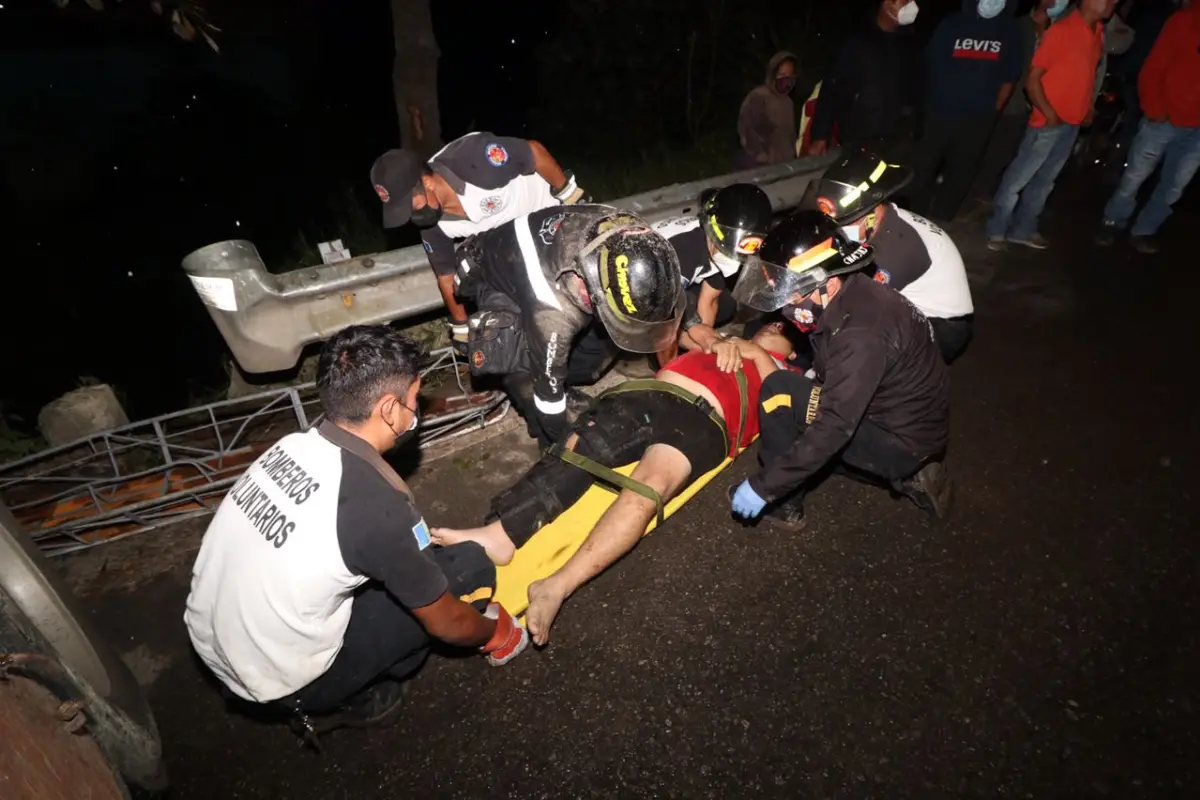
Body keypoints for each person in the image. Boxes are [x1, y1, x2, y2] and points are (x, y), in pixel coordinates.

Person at [184, 326, 529, 733]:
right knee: (467, 568)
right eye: (414, 400)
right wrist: (496, 631)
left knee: (380, 572)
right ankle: (342, 695)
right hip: (277, 680)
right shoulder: (377, 506)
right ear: (388, 409)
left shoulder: (289, 447)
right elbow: (448, 624)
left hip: (213, 645)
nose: (416, 411)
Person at [431, 321, 803, 644]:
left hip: (705, 423)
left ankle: (556, 586)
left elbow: (782, 405)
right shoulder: (726, 337)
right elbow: (676, 333)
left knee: (648, 488)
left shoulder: (789, 374)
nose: (775, 326)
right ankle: (501, 534)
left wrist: (756, 353)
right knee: (582, 449)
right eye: (773, 323)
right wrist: (716, 340)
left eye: (786, 332)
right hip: (650, 394)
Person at [729, 211, 953, 530]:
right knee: (811, 423)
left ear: (829, 284)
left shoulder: (861, 335)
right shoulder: (857, 296)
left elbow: (835, 424)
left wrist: (765, 488)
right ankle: (910, 471)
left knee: (780, 391)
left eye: (794, 292)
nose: (786, 303)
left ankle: (784, 504)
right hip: (908, 422)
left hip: (899, 440)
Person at [454, 205, 685, 448]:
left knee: (593, 354)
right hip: (496, 274)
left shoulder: (633, 236)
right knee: (526, 374)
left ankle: (569, 384)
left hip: (548, 254)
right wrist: (565, 439)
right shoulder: (552, 312)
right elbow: (548, 395)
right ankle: (548, 445)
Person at [370, 133, 589, 354]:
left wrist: (569, 194)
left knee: (595, 286)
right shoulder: (432, 225)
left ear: (426, 182)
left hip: (548, 215)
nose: (410, 217)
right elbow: (446, 278)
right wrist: (461, 327)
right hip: (517, 248)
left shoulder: (473, 160)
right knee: (512, 334)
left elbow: (534, 151)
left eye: (410, 207)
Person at [806, 149, 975, 362]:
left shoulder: (897, 247)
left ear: (872, 213)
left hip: (942, 326)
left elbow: (849, 303)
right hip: (909, 308)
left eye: (847, 223)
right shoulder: (881, 222)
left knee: (855, 334)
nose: (839, 230)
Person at [986, 0, 1116, 251]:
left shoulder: (1098, 32)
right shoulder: (1062, 30)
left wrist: (1087, 107)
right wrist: (1048, 113)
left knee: (1045, 181)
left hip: (1071, 123)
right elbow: (1032, 81)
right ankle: (997, 229)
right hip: (1048, 122)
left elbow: (1087, 76)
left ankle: (1023, 228)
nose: (1113, 4)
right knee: (1019, 178)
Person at [1097, 0, 1200, 253]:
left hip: (1196, 130)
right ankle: (1113, 219)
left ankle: (1145, 229)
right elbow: (1155, 65)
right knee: (1135, 175)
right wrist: (1155, 108)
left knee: (1175, 185)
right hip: (1165, 118)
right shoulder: (1186, 20)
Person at [910, 0, 1024, 223]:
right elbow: (931, 64)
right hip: (940, 113)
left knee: (962, 171)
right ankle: (914, 215)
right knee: (924, 166)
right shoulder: (952, 24)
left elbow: (1009, 77)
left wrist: (992, 112)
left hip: (978, 118)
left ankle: (942, 219)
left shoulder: (1010, 30)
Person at [651, 183, 775, 350]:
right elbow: (665, 309)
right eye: (726, 252)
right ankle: (655, 354)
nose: (732, 260)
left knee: (725, 304)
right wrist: (696, 330)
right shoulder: (685, 249)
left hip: (680, 282)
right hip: (649, 283)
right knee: (671, 326)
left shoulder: (719, 245)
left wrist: (707, 343)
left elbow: (709, 300)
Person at [806, 0, 923, 162]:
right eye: (906, 1)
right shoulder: (857, 42)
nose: (912, 5)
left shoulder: (910, 46)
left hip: (899, 141)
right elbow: (832, 88)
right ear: (888, 4)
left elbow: (919, 91)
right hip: (860, 140)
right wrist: (820, 135)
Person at [973, 0, 1061, 202]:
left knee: (1015, 151)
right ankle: (980, 190)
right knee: (999, 146)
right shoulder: (1019, 26)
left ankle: (992, 189)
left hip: (1041, 102)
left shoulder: (1058, 29)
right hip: (1015, 97)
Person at [737, 52, 799, 169]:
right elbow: (746, 130)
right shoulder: (758, 97)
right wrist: (762, 158)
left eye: (790, 76)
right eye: (782, 74)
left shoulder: (788, 102)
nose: (786, 80)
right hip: (761, 167)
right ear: (773, 74)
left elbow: (790, 136)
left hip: (785, 166)